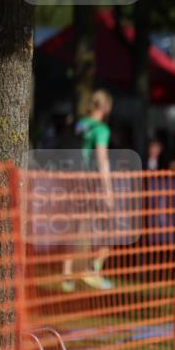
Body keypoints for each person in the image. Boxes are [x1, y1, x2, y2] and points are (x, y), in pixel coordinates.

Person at [61, 90, 116, 292]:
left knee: (75, 228)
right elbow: (102, 161)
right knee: (110, 226)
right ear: (106, 107)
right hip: (91, 183)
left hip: (72, 180)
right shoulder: (101, 129)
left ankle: (67, 276)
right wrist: (108, 190)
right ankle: (93, 271)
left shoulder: (80, 124)